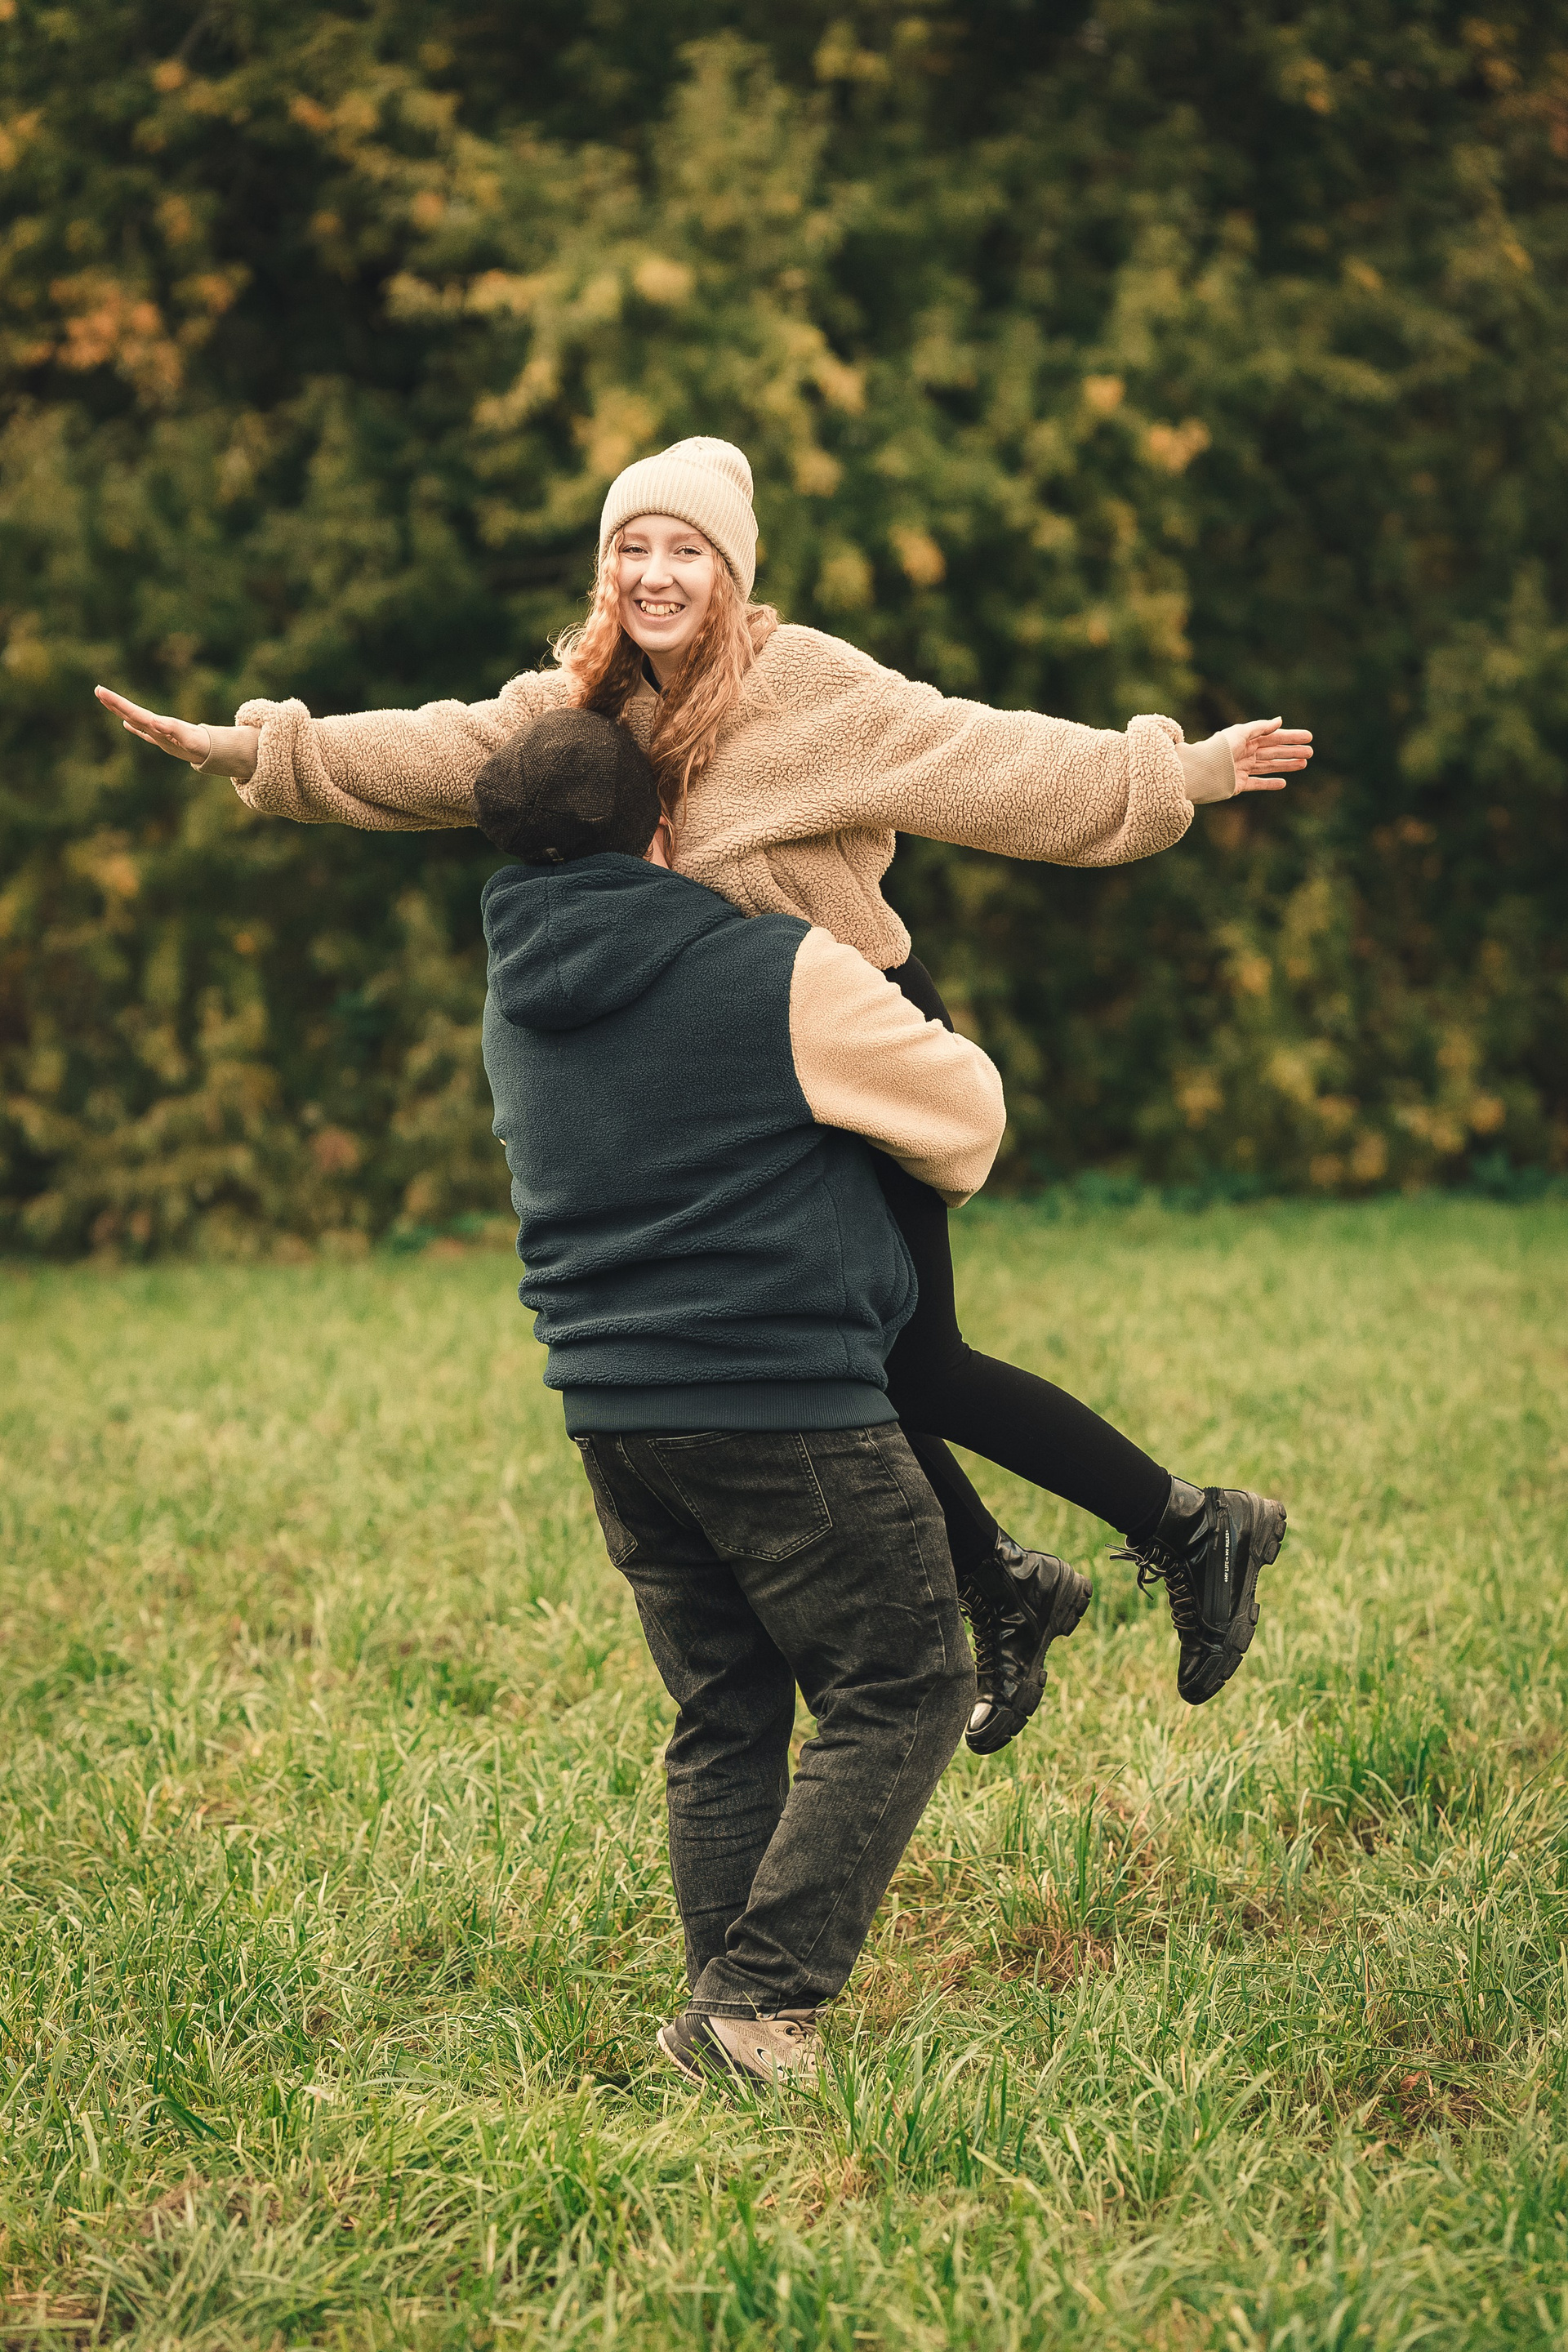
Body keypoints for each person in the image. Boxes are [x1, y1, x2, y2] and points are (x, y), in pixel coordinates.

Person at [95, 433, 1296, 1716]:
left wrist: (1173, 771)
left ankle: (1182, 1528)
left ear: (731, 571)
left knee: (909, 1362)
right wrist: (253, 752)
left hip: (854, 1033)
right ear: (604, 566)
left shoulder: (806, 685)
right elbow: (439, 754)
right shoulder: (583, 697)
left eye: (685, 550)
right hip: (738, 1066)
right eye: (632, 547)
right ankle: (1008, 1580)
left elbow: (979, 756)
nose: (654, 573)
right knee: (823, 1356)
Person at [469, 701, 1083, 2082]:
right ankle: (758, 2005)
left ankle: (721, 2006)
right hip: (784, 1398)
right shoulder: (775, 969)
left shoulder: (515, 1001)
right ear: (669, 829)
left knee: (727, 1707)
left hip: (612, 1413)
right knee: (908, 1679)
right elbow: (967, 1118)